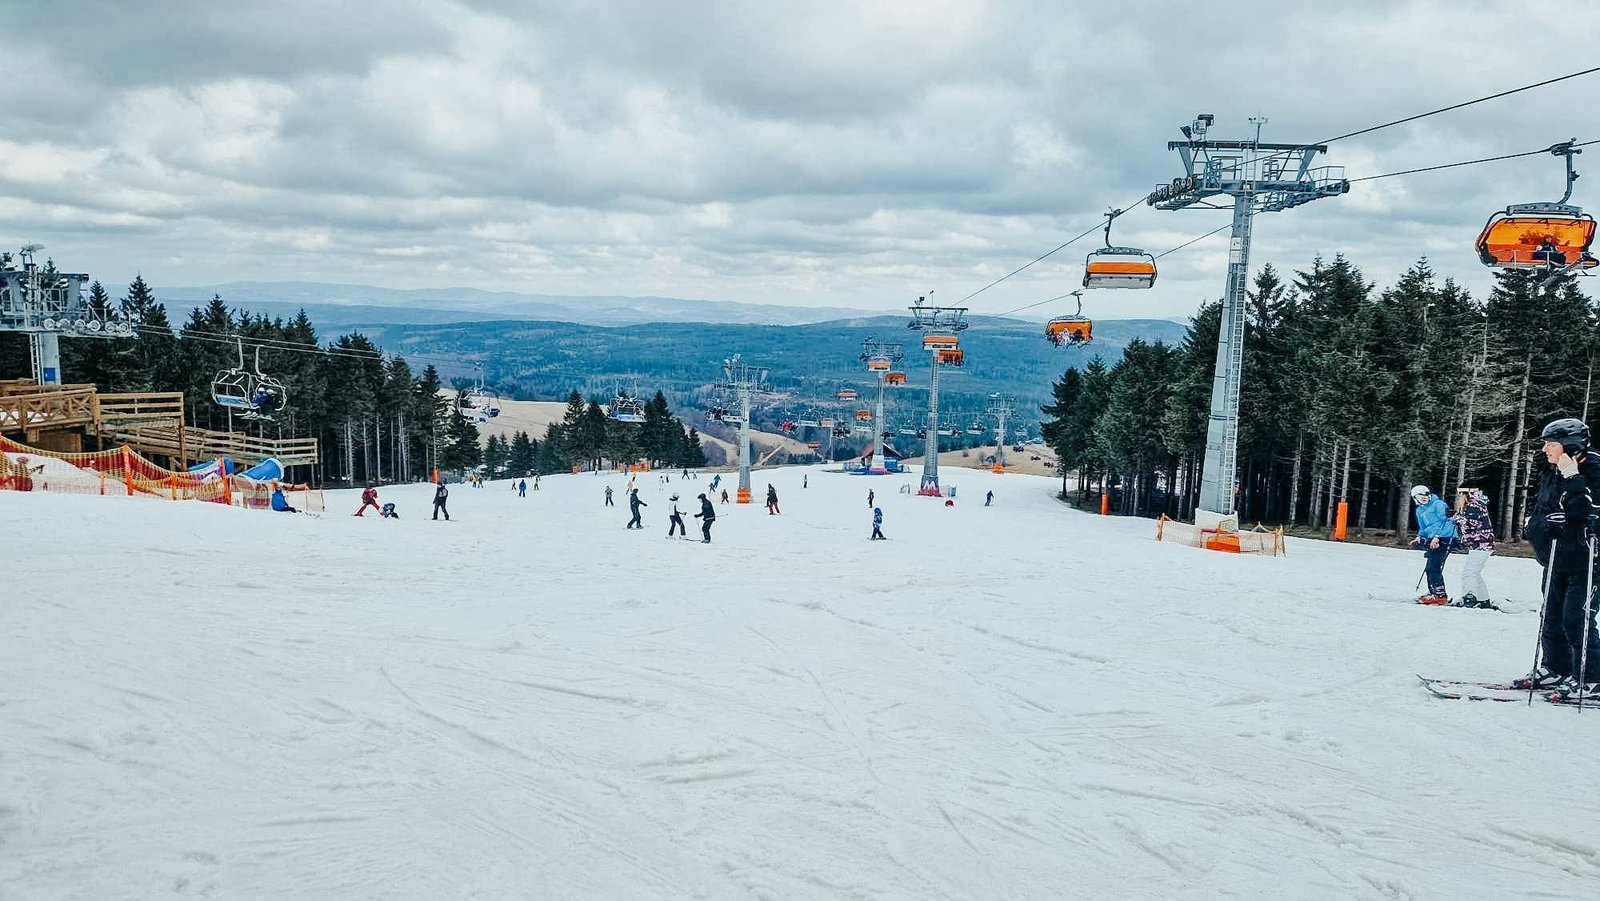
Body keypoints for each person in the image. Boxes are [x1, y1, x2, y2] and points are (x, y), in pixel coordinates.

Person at [1516, 418, 1600, 697]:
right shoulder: (1551, 471)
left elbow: (1588, 511)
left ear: (1569, 445)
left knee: (1576, 618)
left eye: (1550, 444)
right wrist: (1536, 526)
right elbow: (1546, 506)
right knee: (1551, 616)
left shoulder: (1594, 468)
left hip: (1588, 559)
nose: (1545, 449)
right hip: (1557, 555)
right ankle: (1556, 668)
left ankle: (1591, 678)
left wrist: (1573, 477)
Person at [1408, 484, 1458, 603]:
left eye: (1426, 494)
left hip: (1447, 537)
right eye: (1420, 496)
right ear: (1415, 498)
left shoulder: (1438, 504)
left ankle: (1440, 596)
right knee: (1429, 567)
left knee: (1434, 566)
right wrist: (1420, 537)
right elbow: (1423, 527)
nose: (1424, 497)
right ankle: (1433, 591)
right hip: (1434, 539)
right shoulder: (1420, 510)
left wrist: (1437, 537)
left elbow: (1447, 521)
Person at [1453, 487, 1495, 608]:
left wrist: (1457, 519)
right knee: (1474, 572)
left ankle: (1469, 597)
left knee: (1469, 572)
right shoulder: (1477, 503)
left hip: (1481, 543)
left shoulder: (1474, 504)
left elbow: (1473, 523)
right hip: (1480, 543)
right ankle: (1483, 599)